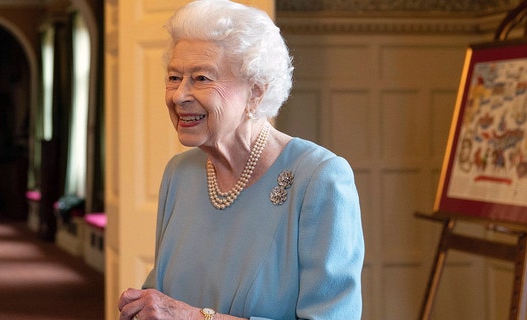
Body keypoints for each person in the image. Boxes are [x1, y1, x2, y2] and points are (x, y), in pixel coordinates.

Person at [118, 0, 364, 319]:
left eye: (202, 78)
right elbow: (164, 299)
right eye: (174, 77)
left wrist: (196, 318)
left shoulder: (319, 178)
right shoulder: (180, 173)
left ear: (256, 92)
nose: (179, 96)